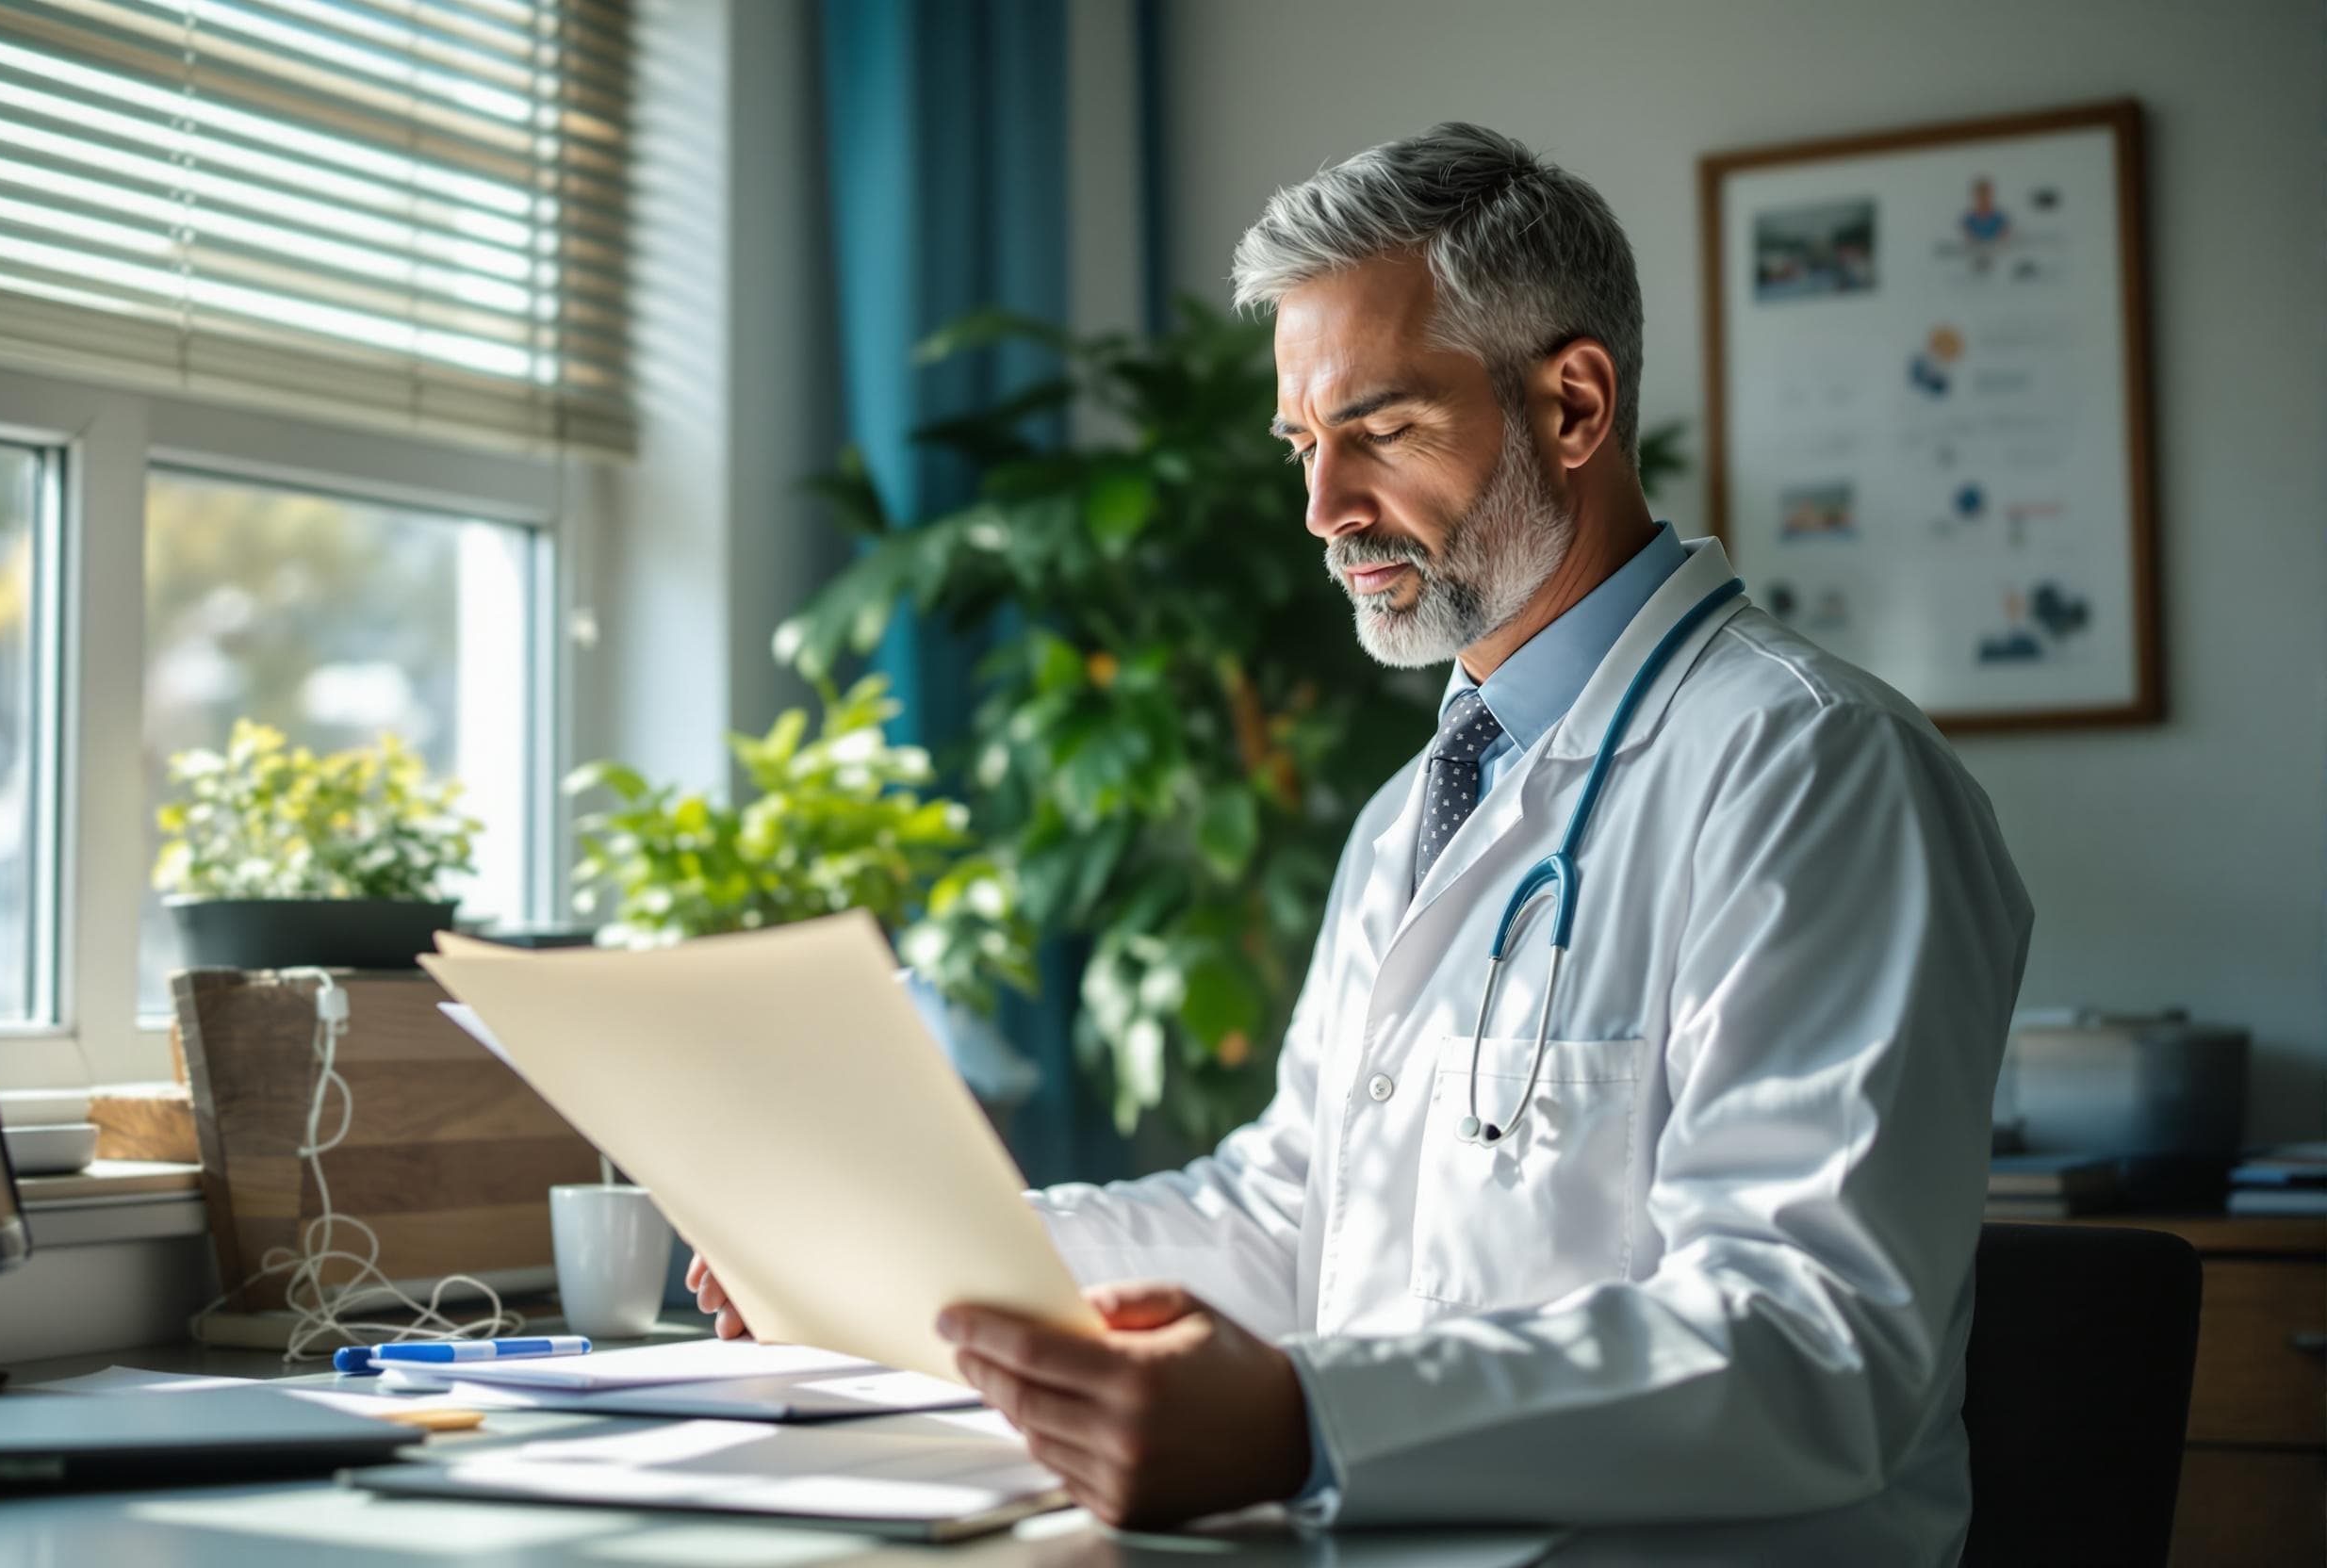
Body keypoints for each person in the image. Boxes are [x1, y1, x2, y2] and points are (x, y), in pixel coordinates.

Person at [691, 122, 2031, 1560]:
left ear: (1574, 407)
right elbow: (1289, 1217)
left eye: (1381, 430)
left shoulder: (1813, 767)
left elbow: (1814, 1341)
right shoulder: (1415, 813)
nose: (1324, 511)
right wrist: (894, 1259)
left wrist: (1304, 1421)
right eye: (1303, 445)